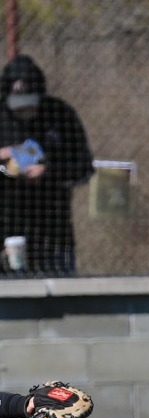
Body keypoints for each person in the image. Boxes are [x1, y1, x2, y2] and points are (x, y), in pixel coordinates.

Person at [0, 55, 94, 276]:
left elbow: (83, 167)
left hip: (52, 230)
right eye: (18, 108)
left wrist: (48, 171)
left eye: (29, 106)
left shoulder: (60, 116)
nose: (24, 113)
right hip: (7, 229)